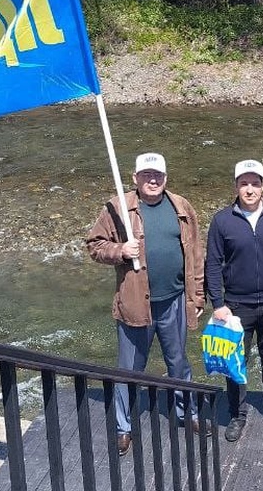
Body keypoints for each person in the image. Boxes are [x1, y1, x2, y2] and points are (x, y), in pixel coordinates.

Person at [86, 152, 207, 457]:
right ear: (135, 178)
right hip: (135, 304)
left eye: (158, 175)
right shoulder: (118, 208)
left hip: (175, 300)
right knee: (129, 369)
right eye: (146, 175)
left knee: (179, 362)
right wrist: (120, 250)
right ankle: (123, 428)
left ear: (165, 178)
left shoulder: (181, 206)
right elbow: (94, 245)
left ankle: (187, 412)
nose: (152, 180)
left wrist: (198, 294)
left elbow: (195, 253)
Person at [204, 159, 263, 442]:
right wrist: (217, 303)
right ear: (236, 186)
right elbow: (212, 264)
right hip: (235, 307)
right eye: (244, 183)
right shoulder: (222, 220)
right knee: (236, 362)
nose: (249, 189)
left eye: (255, 183)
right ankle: (237, 413)